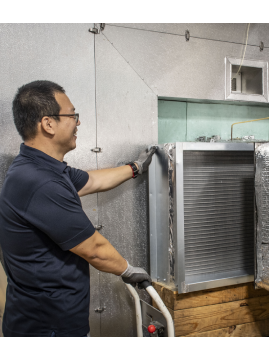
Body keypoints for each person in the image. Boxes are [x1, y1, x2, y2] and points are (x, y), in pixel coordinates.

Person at [0, 80, 156, 337]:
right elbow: (95, 249)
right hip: (47, 329)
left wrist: (135, 167)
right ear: (48, 123)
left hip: (46, 321)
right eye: (72, 115)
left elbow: (93, 180)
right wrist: (128, 271)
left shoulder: (41, 168)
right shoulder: (40, 182)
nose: (78, 122)